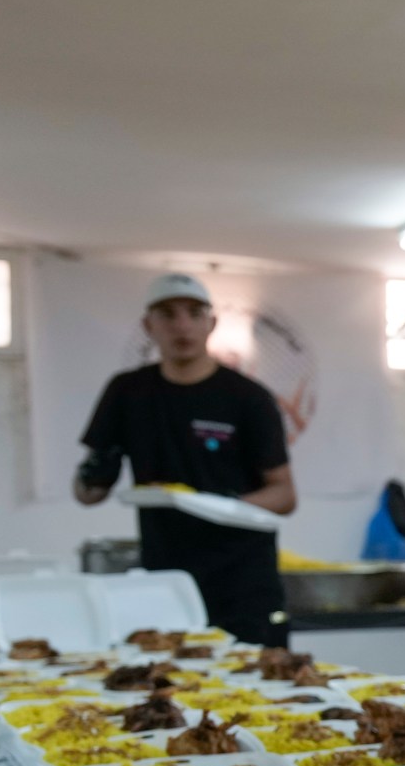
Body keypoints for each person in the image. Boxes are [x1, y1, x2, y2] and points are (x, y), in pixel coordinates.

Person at [75, 273, 296, 645]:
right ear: (149, 326)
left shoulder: (248, 398)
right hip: (164, 581)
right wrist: (97, 468)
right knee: (167, 695)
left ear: (211, 323)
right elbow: (87, 494)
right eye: (168, 314)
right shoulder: (127, 392)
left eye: (194, 313)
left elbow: (284, 497)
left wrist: (219, 504)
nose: (182, 325)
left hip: (242, 581)